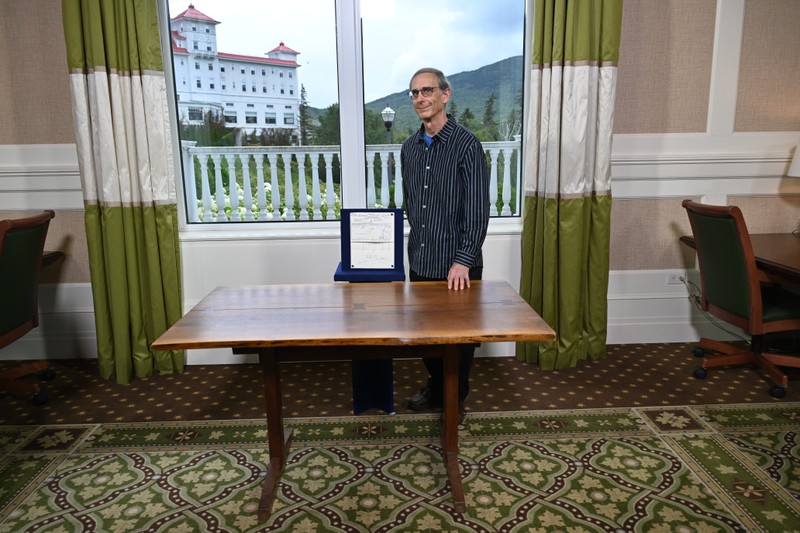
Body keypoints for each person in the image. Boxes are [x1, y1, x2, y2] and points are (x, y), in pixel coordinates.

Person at [400, 67, 490, 423]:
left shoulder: (467, 145)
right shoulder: (409, 148)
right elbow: (411, 204)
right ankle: (437, 388)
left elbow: (478, 209)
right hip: (421, 260)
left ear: (445, 94)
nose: (420, 98)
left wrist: (464, 260)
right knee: (425, 337)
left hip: (458, 265)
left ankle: (455, 399)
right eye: (414, 93)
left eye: (427, 91)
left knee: (458, 344)